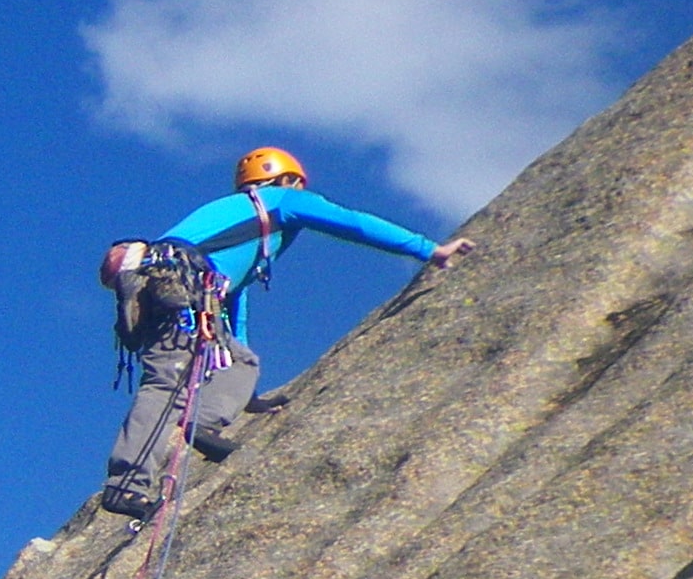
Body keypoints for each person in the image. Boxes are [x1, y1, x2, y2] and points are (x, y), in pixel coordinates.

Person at [96, 145, 472, 519]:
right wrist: (430, 250)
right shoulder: (279, 200)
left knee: (241, 361)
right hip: (182, 287)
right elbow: (353, 222)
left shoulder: (241, 223)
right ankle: (127, 484)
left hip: (176, 288)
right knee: (168, 381)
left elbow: (233, 301)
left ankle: (203, 422)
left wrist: (243, 391)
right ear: (288, 179)